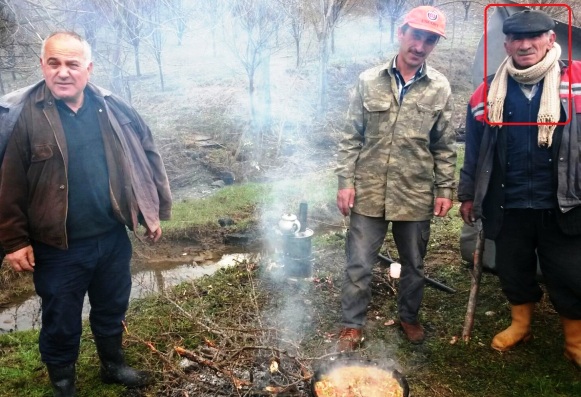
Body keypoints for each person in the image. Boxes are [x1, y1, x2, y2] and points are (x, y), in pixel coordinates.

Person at [0, 32, 172, 395]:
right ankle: (64, 385)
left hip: (111, 237)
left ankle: (113, 365)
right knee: (61, 321)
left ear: (88, 69)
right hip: (57, 247)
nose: (63, 72)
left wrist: (151, 210)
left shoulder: (111, 107)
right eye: (54, 63)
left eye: (72, 64)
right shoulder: (22, 116)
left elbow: (144, 157)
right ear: (42, 66)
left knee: (112, 305)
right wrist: (14, 240)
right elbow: (7, 182)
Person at [458, 9, 581, 368]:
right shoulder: (487, 91)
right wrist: (467, 193)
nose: (525, 45)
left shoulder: (576, 81)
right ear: (506, 43)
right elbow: (473, 149)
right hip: (507, 200)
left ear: (550, 39)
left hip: (564, 200)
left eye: (534, 37)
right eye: (516, 38)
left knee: (570, 272)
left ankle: (574, 340)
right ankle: (520, 325)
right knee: (513, 267)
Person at [335, 6, 456, 349]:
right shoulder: (368, 81)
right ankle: (351, 324)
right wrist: (345, 182)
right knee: (359, 262)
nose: (420, 45)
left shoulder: (440, 87)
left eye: (429, 39)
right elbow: (350, 137)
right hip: (369, 190)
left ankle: (408, 317)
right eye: (416, 35)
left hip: (415, 192)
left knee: (414, 264)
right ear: (401, 33)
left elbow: (445, 144)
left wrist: (445, 187)